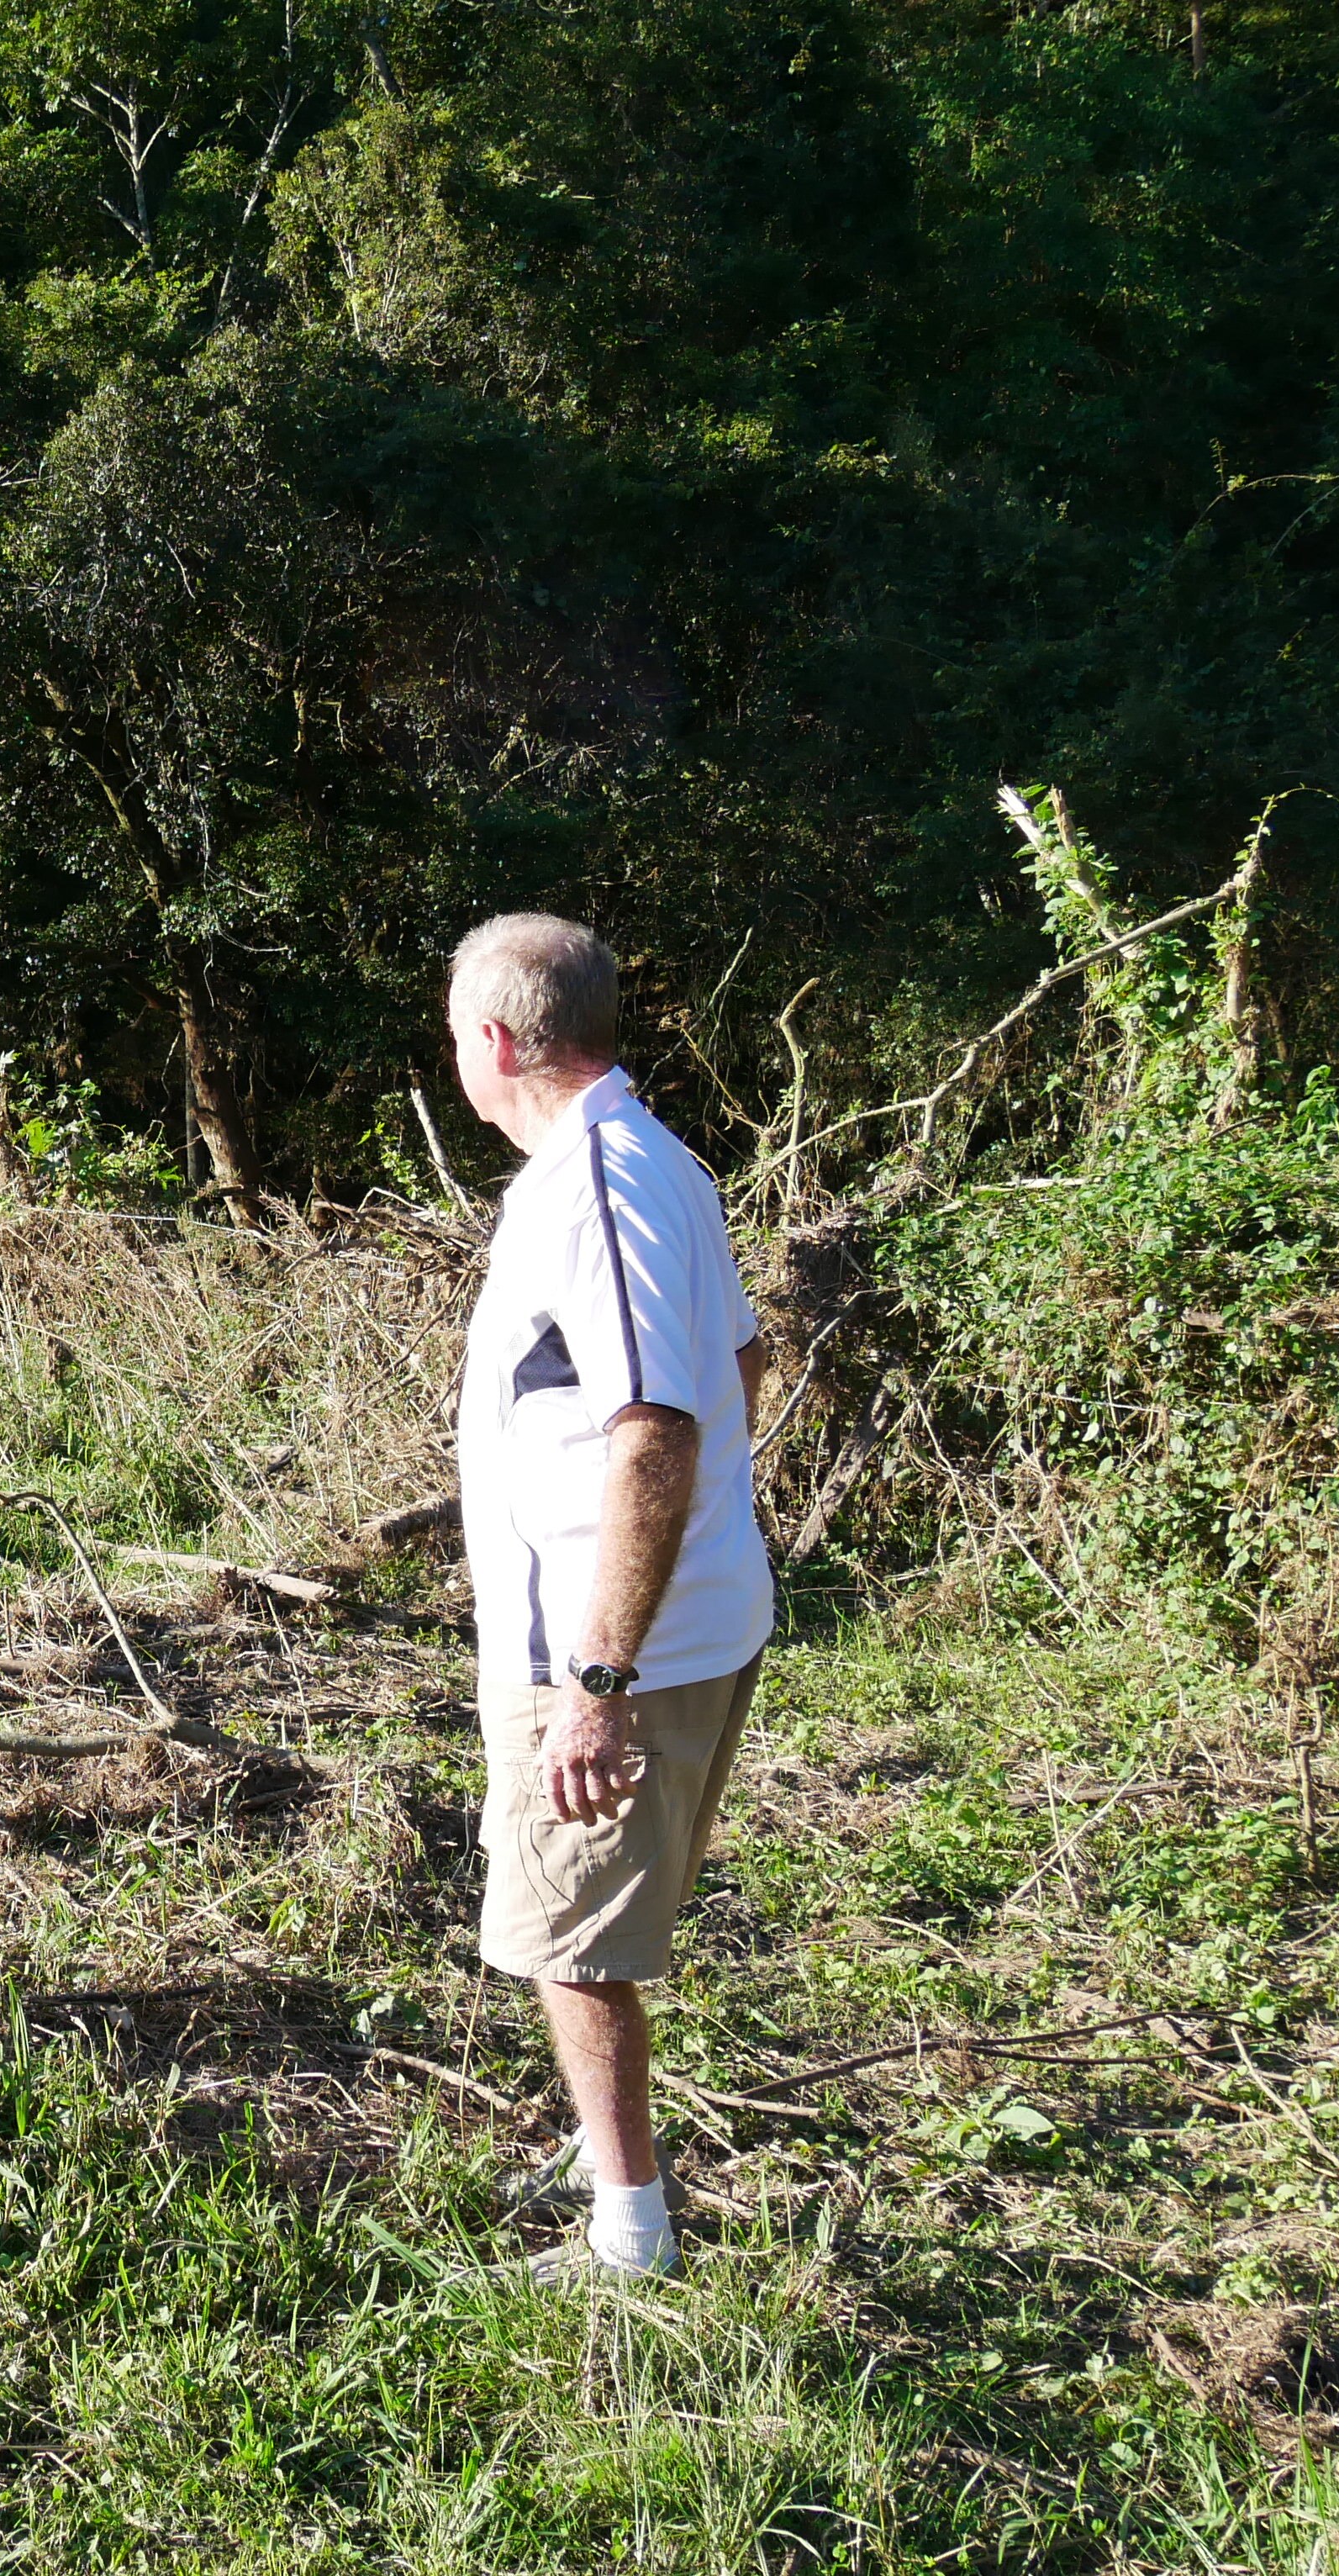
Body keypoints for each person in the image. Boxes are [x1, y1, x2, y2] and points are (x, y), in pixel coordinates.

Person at [444, 912, 772, 2283]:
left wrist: (597, 1681)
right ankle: (600, 2151)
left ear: (502, 1039)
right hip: (659, 1627)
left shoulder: (596, 1183)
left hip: (600, 1657)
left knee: (568, 1941)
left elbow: (656, 1427)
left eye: (460, 1031)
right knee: (583, 1920)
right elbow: (745, 1365)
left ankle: (630, 2234)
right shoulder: (651, 1158)